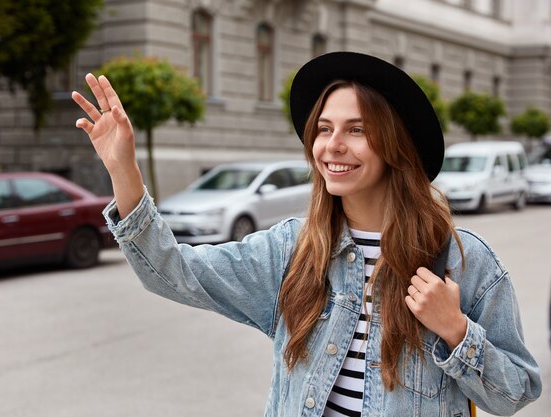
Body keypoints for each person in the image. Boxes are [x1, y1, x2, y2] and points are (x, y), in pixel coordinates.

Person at [71, 51, 541, 417]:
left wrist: (456, 332)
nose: (332, 145)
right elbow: (170, 272)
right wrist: (124, 170)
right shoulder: (291, 252)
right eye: (324, 128)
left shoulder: (463, 261)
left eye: (357, 129)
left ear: (395, 145)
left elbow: (515, 392)